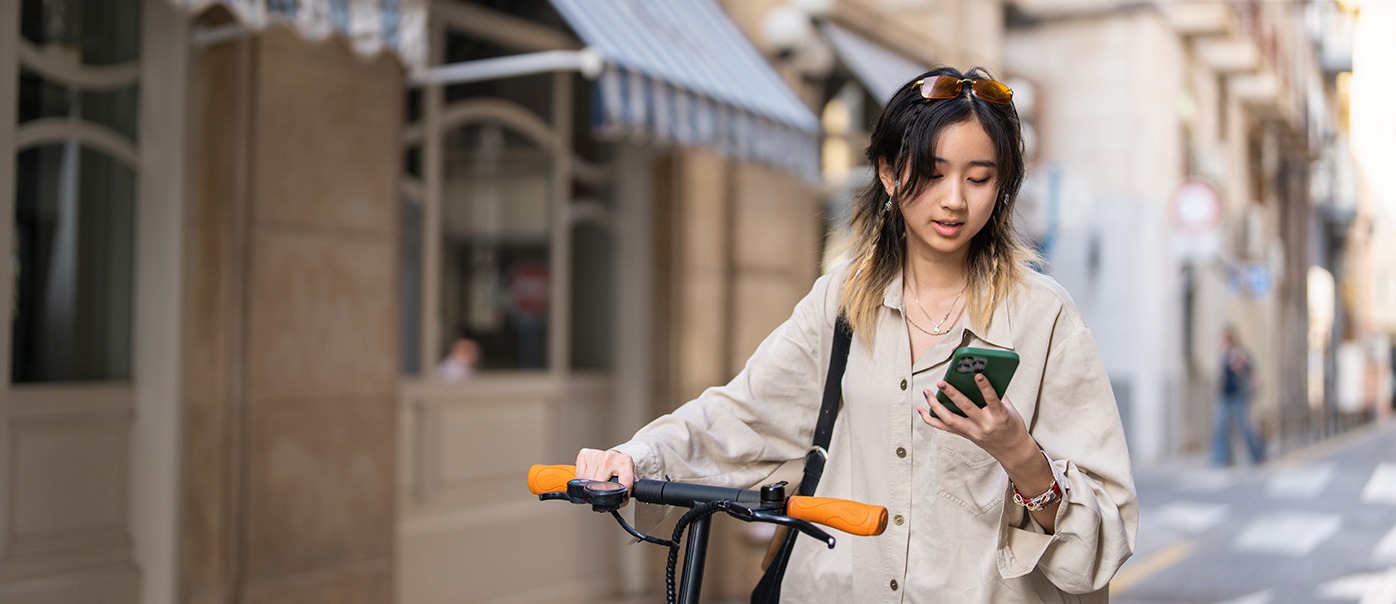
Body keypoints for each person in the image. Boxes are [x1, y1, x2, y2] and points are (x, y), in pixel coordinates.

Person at [575, 66, 1136, 602]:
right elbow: (743, 416)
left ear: (1003, 186)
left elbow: (1103, 537)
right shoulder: (841, 298)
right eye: (934, 173)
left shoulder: (1044, 316)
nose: (956, 199)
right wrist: (639, 456)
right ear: (890, 174)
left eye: (980, 178)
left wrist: (1019, 454)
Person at [1211, 327, 1265, 465]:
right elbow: (1222, 376)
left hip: (1238, 396)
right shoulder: (1223, 354)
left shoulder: (1239, 352)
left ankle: (1258, 454)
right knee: (1221, 427)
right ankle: (1221, 459)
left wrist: (1238, 364)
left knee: (1244, 428)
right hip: (1225, 396)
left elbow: (1248, 370)